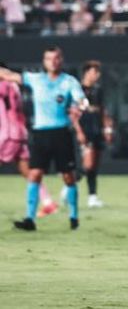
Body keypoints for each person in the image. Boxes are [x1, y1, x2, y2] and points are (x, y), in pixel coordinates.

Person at [0, 47, 86, 231]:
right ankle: (29, 219)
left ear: (61, 60)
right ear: (44, 61)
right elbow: (9, 75)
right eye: (49, 59)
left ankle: (73, 217)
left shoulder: (69, 82)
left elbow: (81, 100)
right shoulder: (35, 79)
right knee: (34, 174)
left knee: (68, 177)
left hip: (61, 134)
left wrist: (81, 107)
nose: (52, 62)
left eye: (56, 58)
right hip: (40, 135)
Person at [0, 63, 58, 218]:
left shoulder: (4, 86)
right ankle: (48, 203)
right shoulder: (15, 87)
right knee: (28, 172)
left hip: (8, 135)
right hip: (20, 134)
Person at [78, 61, 112, 208]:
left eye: (98, 73)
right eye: (94, 72)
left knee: (95, 164)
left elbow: (103, 110)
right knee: (88, 163)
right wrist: (78, 130)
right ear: (86, 73)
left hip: (97, 128)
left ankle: (92, 197)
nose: (97, 75)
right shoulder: (77, 89)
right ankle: (69, 185)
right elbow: (73, 111)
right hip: (84, 128)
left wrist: (107, 129)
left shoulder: (98, 90)